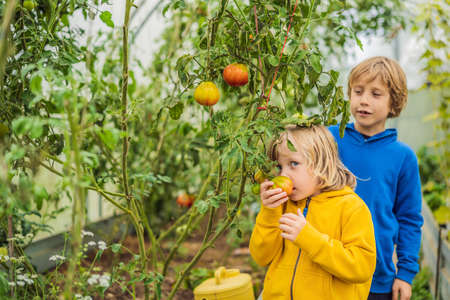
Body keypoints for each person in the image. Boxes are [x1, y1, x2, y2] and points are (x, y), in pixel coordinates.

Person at [329, 56, 424, 300]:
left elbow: (409, 219)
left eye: (375, 94)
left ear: (394, 103)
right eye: (358, 91)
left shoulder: (403, 157)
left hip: (376, 276)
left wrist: (405, 274)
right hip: (327, 266)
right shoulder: (329, 139)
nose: (364, 100)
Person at [250, 125, 376, 300]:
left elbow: (361, 268)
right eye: (279, 166)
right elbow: (261, 257)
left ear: (322, 164)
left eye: (293, 164)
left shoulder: (351, 208)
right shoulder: (283, 205)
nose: (284, 175)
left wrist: (308, 238)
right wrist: (269, 212)